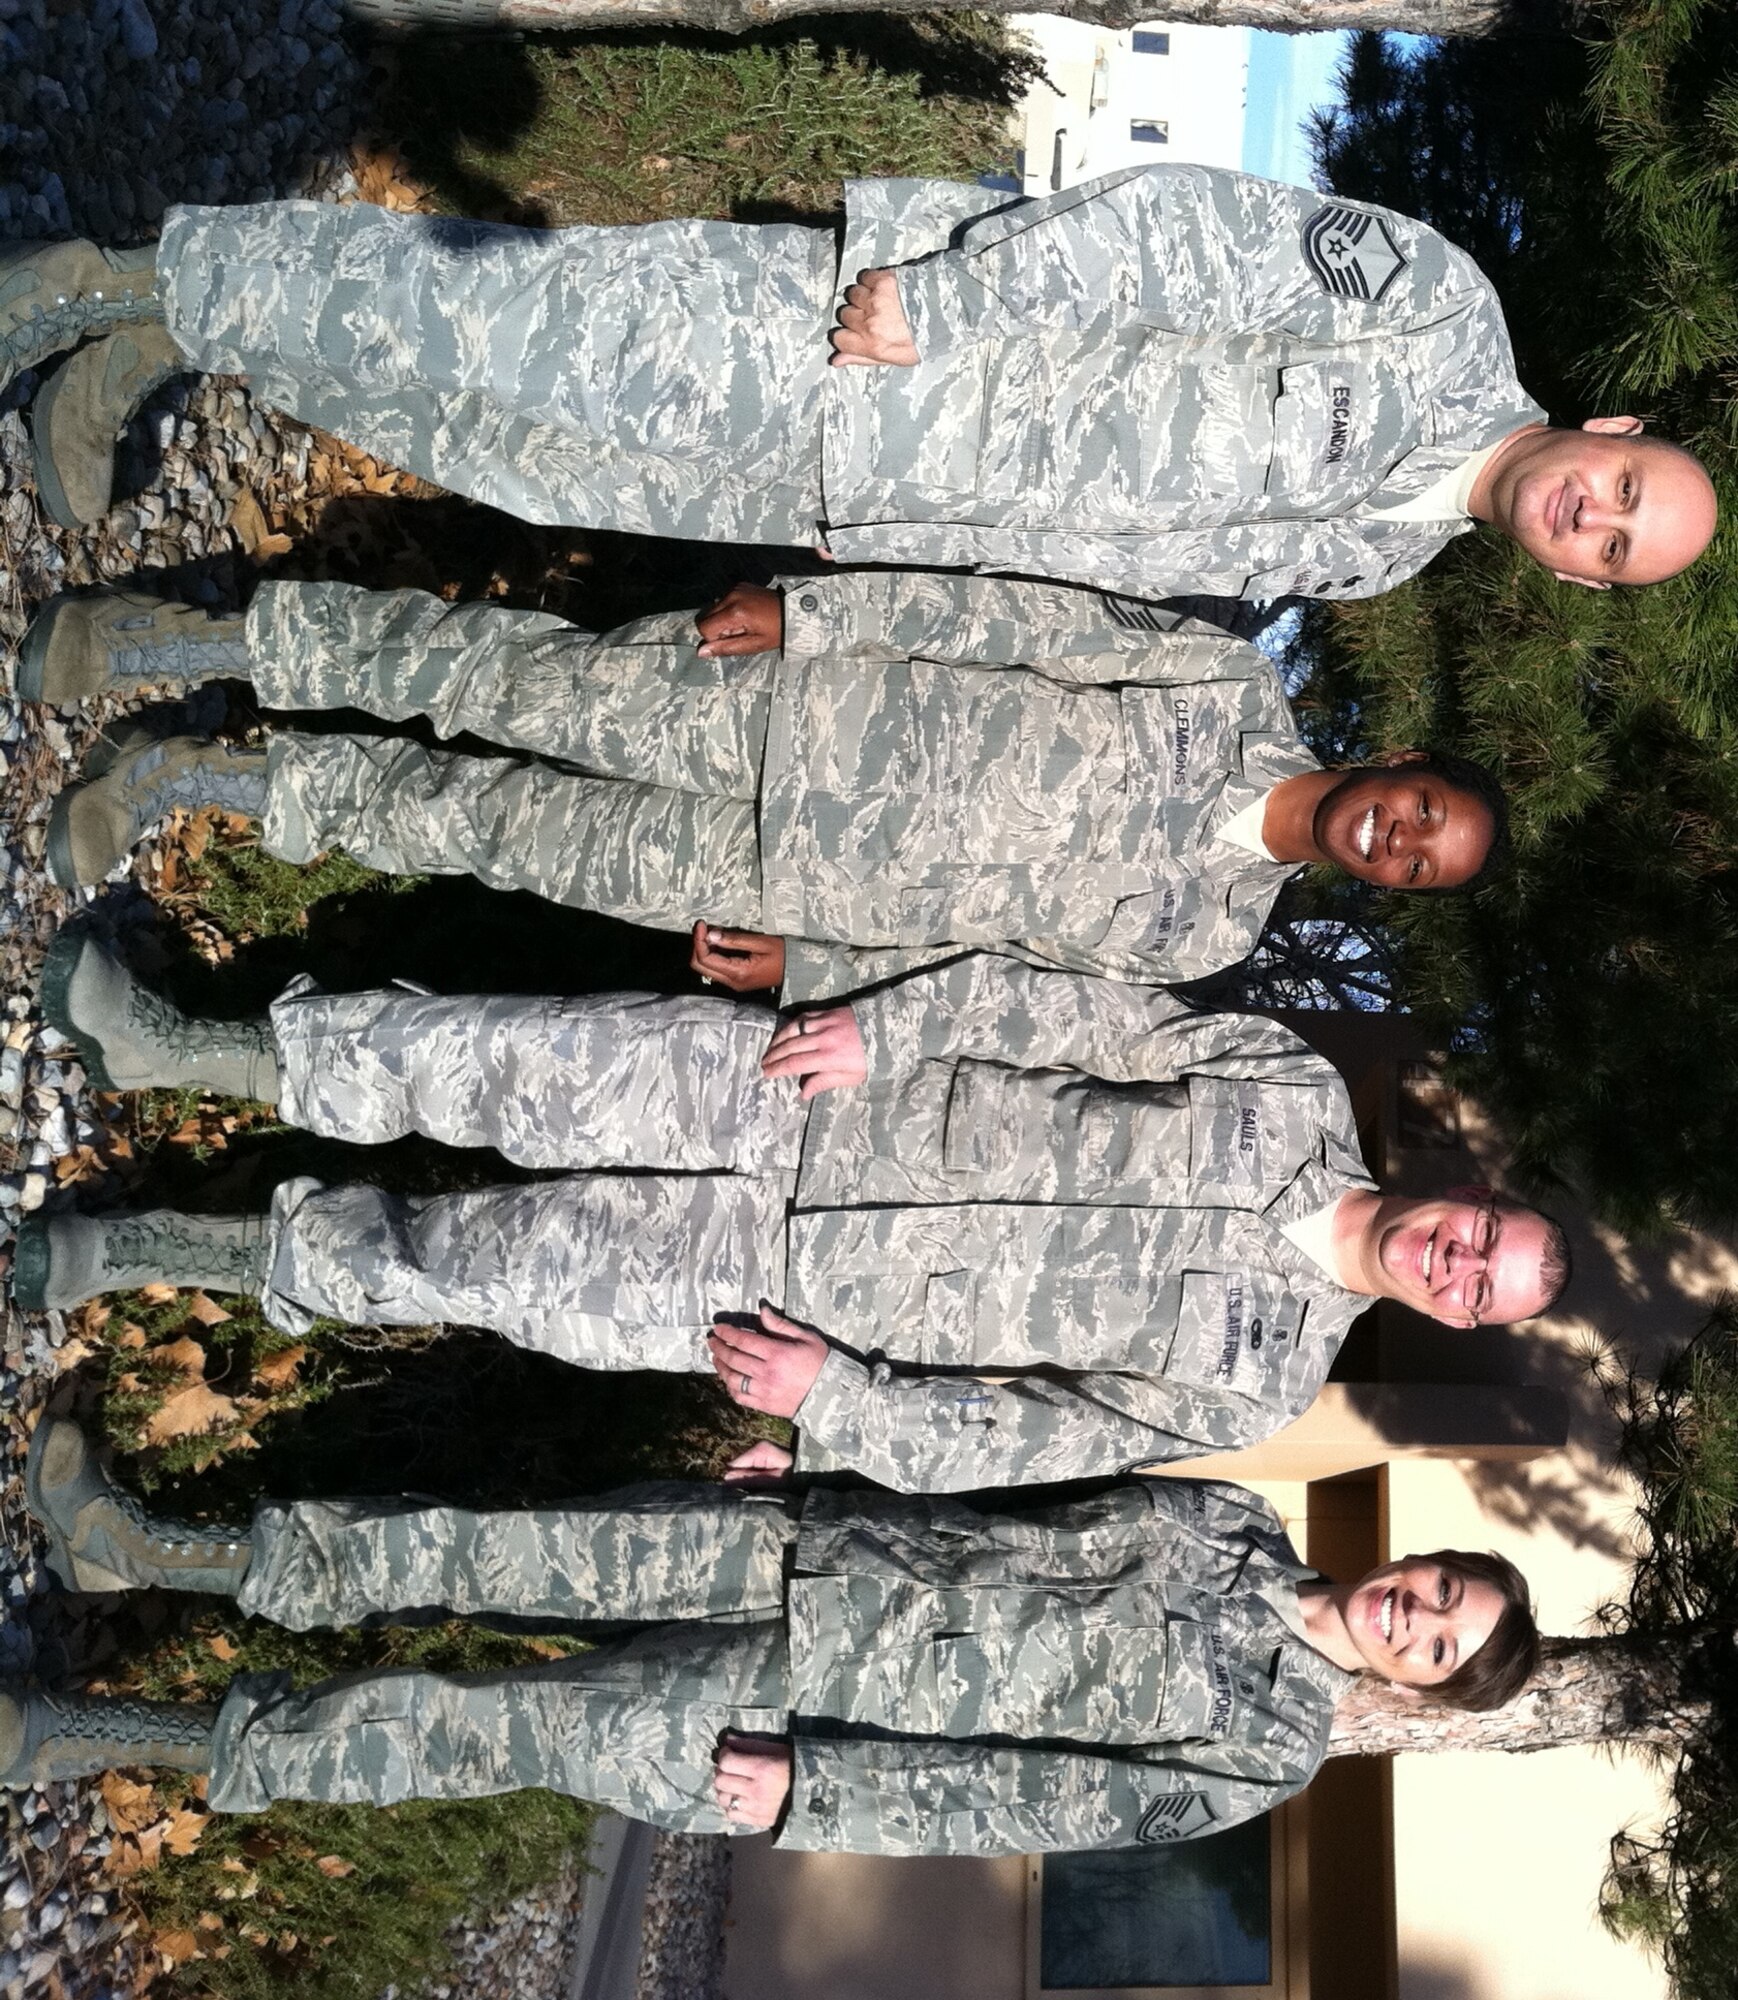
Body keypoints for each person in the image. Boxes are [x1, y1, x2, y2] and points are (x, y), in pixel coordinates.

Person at [19, 936, 1572, 1491]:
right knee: (491, 1061)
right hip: (801, 1095)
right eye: (1479, 1235)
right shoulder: (1288, 1086)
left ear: (1449, 1318)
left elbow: (1026, 1437)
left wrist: (843, 1403)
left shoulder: (1257, 1379)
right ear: (1465, 1192)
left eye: (1473, 1291)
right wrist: (887, 1027)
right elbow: (1062, 1012)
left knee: (464, 1265)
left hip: (786, 1302)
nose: (1454, 1260)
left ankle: (145, 1251)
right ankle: (180, 1050)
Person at [0, 166, 1716, 595]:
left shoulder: (1379, 555)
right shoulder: (1433, 314)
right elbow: (1186, 233)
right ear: (1612, 432)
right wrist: (948, 308)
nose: (1595, 516)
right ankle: (112, 279)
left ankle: (185, 333)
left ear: (1584, 580)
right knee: (498, 319)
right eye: (1625, 490)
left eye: (1615, 549)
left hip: (849, 486)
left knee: (502, 444)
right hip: (865, 346)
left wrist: (880, 559)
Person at [4, 1419, 1540, 1848]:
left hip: (803, 1714)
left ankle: (103, 1741)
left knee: (479, 1726)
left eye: (1429, 1644)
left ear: (1414, 1684)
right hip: (800, 1546)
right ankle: (151, 1548)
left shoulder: (1265, 1748)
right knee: (479, 1550)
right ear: (1419, 1555)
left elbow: (1023, 1800)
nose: (1410, 1614)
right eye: (1435, 1588)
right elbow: (1005, 1482)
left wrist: (819, 1797)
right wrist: (826, 1469)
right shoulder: (1233, 1526)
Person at [24, 572, 1507, 993]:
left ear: (1393, 888)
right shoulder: (1230, 685)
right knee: (489, 673)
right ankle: (173, 635)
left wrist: (818, 960)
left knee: (480, 828)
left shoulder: (1206, 936)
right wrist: (823, 615)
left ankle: (187, 775)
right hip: (784, 713)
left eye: (1418, 866)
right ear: (1394, 766)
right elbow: (1013, 625)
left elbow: (987, 962)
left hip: (777, 877)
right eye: (1421, 811)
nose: (1399, 840)